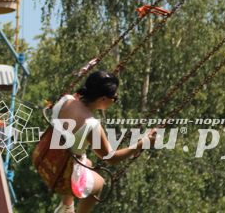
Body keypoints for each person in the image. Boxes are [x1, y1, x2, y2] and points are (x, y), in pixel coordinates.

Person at [50, 71, 157, 213]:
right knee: (99, 184)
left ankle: (67, 206)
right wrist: (141, 144)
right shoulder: (91, 125)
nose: (115, 100)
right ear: (103, 99)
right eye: (115, 98)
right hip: (63, 171)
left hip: (48, 156)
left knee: (88, 163)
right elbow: (111, 158)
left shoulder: (66, 100)